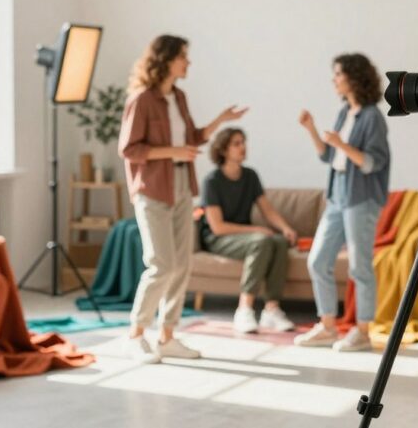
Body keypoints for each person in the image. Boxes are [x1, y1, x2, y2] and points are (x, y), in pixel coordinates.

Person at [118, 34, 247, 363]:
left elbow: (192, 137)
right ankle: (136, 334)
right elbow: (129, 149)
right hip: (152, 187)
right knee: (161, 264)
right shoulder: (141, 99)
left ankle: (167, 336)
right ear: (166, 60)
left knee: (182, 264)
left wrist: (220, 121)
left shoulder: (179, 97)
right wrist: (173, 152)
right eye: (183, 57)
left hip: (181, 184)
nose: (188, 63)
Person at [293, 53, 390, 352]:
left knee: (360, 267)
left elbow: (372, 162)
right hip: (337, 196)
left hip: (362, 199)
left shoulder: (372, 116)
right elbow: (329, 156)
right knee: (318, 260)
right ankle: (327, 327)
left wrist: (341, 145)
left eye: (338, 74)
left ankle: (363, 332)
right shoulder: (344, 111)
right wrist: (311, 128)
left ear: (353, 77)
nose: (333, 79)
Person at [199, 127, 300, 334]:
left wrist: (286, 228)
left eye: (243, 142)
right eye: (236, 144)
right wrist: (256, 230)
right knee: (261, 241)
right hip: (218, 238)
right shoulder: (212, 182)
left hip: (245, 237)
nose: (243, 147)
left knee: (279, 241)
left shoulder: (250, 176)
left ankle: (271, 310)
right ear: (223, 150)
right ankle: (244, 309)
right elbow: (218, 227)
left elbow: (268, 210)